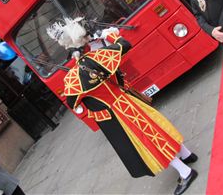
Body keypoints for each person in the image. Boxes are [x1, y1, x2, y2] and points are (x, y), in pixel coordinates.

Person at [46, 17, 198, 195]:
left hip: (120, 113)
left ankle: (185, 172)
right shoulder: (99, 56)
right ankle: (187, 155)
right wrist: (110, 36)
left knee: (149, 139)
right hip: (129, 101)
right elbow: (124, 44)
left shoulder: (72, 78)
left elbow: (73, 102)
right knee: (156, 128)